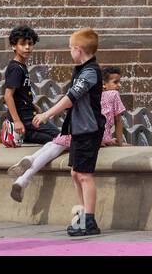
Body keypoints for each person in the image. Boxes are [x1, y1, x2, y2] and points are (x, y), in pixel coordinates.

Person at [8, 67, 127, 202]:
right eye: (116, 82)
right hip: (92, 134)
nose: (119, 85)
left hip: (78, 127)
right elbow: (118, 120)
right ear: (104, 85)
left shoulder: (90, 94)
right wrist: (120, 142)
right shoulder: (114, 95)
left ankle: (27, 166)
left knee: (54, 144)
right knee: (55, 148)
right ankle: (24, 178)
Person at [28, 28, 105, 238]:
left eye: (71, 48)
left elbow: (71, 97)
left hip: (90, 130)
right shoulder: (81, 69)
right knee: (75, 172)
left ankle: (89, 220)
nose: (70, 52)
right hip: (80, 129)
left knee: (85, 175)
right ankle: (82, 216)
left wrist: (46, 115)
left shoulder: (90, 72)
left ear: (78, 50)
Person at [2, 25, 60, 147]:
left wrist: (33, 105)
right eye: (23, 44)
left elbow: (19, 94)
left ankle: (22, 134)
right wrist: (17, 121)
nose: (27, 47)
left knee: (55, 137)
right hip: (25, 117)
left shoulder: (21, 66)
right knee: (59, 137)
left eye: (30, 43)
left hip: (28, 114)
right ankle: (15, 128)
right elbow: (8, 96)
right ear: (13, 46)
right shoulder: (16, 68)